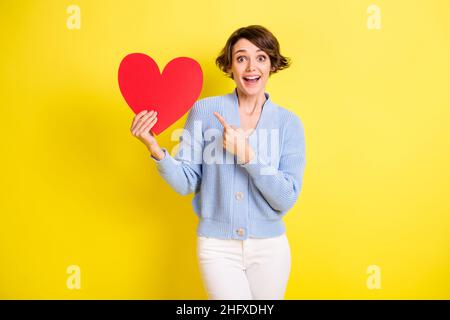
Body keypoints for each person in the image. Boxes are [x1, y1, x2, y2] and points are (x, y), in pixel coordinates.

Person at [130, 25, 306, 300]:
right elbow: (187, 181)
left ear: (272, 65)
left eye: (261, 57)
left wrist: (247, 155)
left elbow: (285, 198)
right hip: (217, 247)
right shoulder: (204, 111)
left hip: (270, 248)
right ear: (230, 66)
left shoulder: (289, 124)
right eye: (241, 58)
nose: (251, 67)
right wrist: (154, 148)